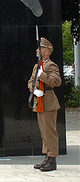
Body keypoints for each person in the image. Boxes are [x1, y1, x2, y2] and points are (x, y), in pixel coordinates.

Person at [28, 37, 62, 172]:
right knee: (43, 131)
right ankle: (47, 157)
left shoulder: (50, 65)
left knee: (50, 132)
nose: (37, 50)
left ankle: (52, 159)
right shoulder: (37, 65)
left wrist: (42, 75)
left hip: (49, 101)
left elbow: (56, 81)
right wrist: (34, 90)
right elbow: (31, 81)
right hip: (40, 101)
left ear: (46, 51)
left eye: (40, 48)